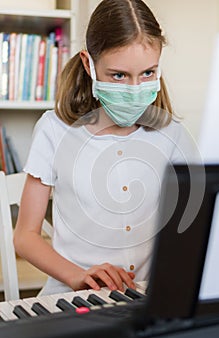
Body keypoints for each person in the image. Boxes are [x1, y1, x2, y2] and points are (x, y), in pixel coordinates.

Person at [14, 0, 196, 296]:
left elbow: (192, 226)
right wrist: (78, 276)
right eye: (119, 76)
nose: (135, 89)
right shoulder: (54, 130)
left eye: (148, 73)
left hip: (145, 299)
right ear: (89, 64)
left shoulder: (173, 135)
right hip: (72, 296)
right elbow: (25, 236)